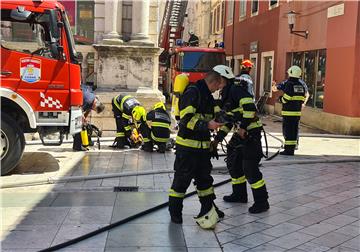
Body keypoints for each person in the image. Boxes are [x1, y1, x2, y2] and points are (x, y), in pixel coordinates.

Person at [168, 66, 230, 229]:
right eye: (219, 85)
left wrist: (227, 118)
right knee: (181, 182)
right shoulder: (192, 92)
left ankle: (207, 209)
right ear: (214, 81)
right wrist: (207, 124)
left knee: (205, 182)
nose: (219, 89)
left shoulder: (208, 96)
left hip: (203, 150)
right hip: (187, 149)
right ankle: (175, 213)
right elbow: (185, 119)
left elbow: (218, 113)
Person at [214, 65, 270, 214]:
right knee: (234, 164)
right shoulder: (226, 94)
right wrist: (218, 139)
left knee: (250, 169)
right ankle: (239, 194)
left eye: (216, 79)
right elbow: (229, 122)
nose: (214, 83)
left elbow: (250, 109)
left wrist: (243, 127)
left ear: (223, 78)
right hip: (241, 133)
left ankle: (262, 202)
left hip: (251, 133)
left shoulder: (236, 90)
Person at [272, 65, 307, 155]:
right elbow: (303, 98)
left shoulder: (289, 84)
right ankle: (292, 148)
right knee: (294, 130)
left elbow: (286, 98)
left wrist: (280, 99)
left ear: (291, 73)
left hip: (288, 112)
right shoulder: (301, 85)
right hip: (297, 112)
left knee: (288, 131)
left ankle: (288, 150)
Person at [73, 85, 105, 151]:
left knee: (83, 124)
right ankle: (77, 146)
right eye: (94, 109)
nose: (93, 110)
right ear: (95, 105)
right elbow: (79, 109)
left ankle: (84, 143)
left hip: (77, 91)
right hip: (73, 100)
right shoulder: (88, 101)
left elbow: (88, 109)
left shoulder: (93, 98)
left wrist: (85, 118)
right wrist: (83, 119)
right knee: (79, 126)